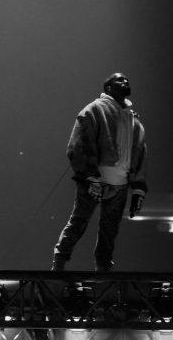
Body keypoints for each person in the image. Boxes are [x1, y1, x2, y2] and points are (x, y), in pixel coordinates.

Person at [51, 73, 148, 272]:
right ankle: (58, 265)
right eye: (119, 80)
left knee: (109, 230)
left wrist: (138, 188)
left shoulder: (132, 118)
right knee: (79, 221)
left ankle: (103, 271)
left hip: (120, 182)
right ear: (108, 88)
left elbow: (140, 151)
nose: (125, 82)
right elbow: (79, 143)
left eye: (127, 79)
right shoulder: (95, 110)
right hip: (96, 178)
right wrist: (90, 176)